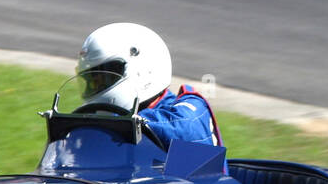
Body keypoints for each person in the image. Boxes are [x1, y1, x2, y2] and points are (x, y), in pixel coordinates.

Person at [75, 22, 222, 148]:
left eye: (104, 78)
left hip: (198, 181)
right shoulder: (112, 118)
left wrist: (108, 128)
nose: (97, 86)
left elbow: (185, 130)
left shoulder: (189, 111)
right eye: (93, 81)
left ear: (143, 69)